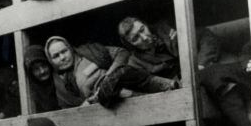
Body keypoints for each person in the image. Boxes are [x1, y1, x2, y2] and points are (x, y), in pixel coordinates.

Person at [45, 36, 177, 108]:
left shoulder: (90, 52)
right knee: (118, 92)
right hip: (106, 102)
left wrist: (109, 75)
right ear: (51, 60)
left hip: (122, 79)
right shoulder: (62, 83)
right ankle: (163, 98)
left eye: (64, 51)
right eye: (56, 56)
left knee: (124, 75)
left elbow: (122, 53)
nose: (62, 57)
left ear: (70, 48)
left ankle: (169, 85)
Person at [24, 44, 59, 112]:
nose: (42, 71)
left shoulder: (62, 83)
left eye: (44, 65)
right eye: (36, 69)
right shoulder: (32, 94)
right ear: (31, 73)